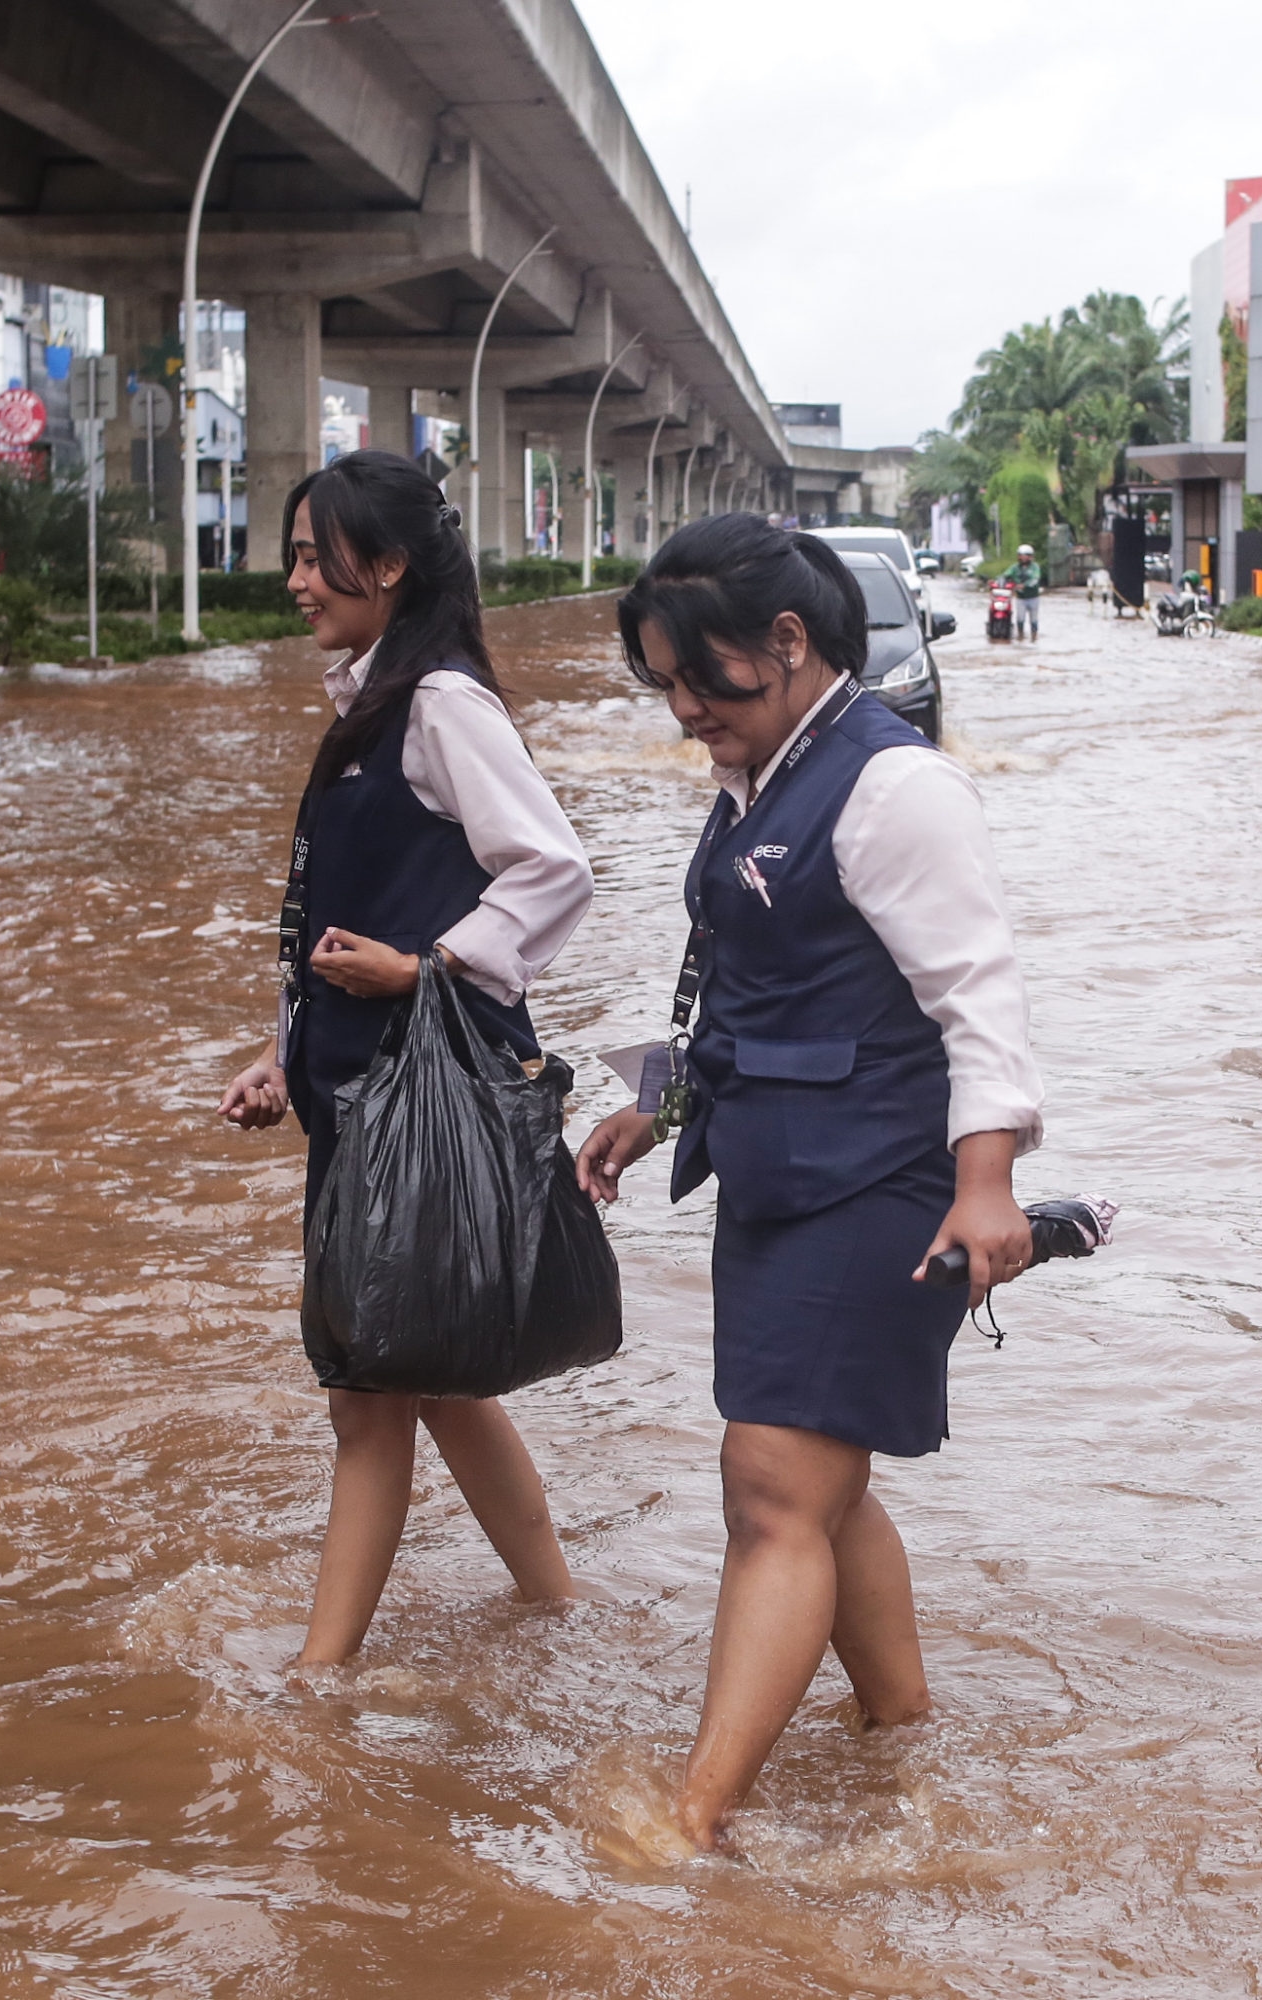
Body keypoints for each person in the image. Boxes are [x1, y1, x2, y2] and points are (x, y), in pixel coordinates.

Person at [576, 513, 1043, 1852]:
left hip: (884, 1186)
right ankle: (904, 1735)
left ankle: (692, 1820)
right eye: (661, 682)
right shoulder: (763, 781)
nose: (681, 711)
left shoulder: (897, 789)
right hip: (778, 1185)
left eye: (698, 679)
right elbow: (749, 990)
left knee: (775, 1490)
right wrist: (656, 1106)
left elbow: (979, 1003)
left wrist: (989, 1184)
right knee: (827, 1490)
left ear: (787, 643)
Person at [216, 449, 598, 1665]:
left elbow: (554, 867)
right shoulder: (371, 705)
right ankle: (561, 1610)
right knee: (429, 1375)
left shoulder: (440, 705)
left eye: (312, 556)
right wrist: (283, 1051)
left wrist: (426, 966)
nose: (293, 581)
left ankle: (315, 1685)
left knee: (370, 1398)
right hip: (357, 1100)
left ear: (385, 566)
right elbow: (338, 916)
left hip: (406, 1107)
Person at [1000, 542, 1044, 640]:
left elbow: (1035, 579)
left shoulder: (1035, 567)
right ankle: (1020, 636)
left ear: (1030, 557)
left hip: (1033, 597)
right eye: (1021, 555)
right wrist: (999, 581)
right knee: (1020, 619)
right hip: (1020, 598)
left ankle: (1034, 636)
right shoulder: (1015, 567)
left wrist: (1024, 586)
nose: (1023, 558)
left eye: (1025, 556)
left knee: (1034, 620)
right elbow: (1006, 574)